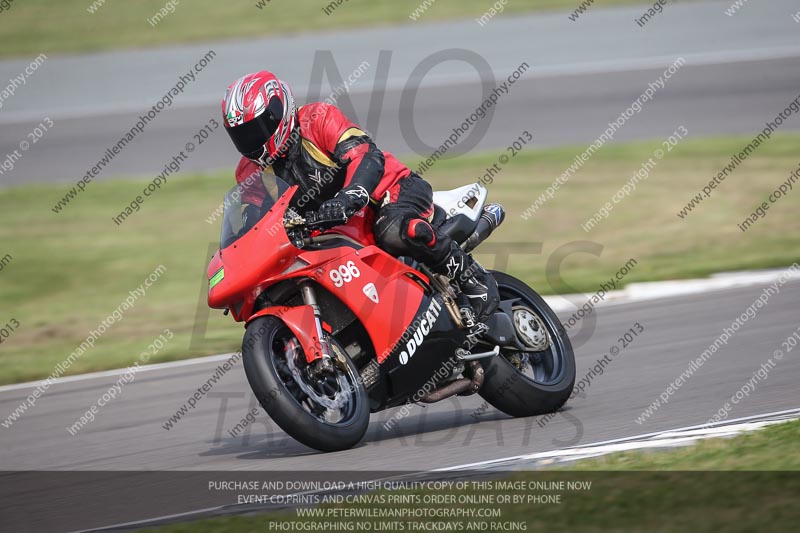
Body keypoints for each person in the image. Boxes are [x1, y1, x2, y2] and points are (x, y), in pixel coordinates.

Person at [221, 70, 499, 323]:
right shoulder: (249, 172)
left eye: (255, 129)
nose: (250, 141)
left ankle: (473, 278)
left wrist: (350, 196)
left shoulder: (318, 119)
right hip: (335, 227)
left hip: (391, 191)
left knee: (393, 230)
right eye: (241, 135)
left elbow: (365, 155)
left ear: (277, 113)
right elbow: (253, 223)